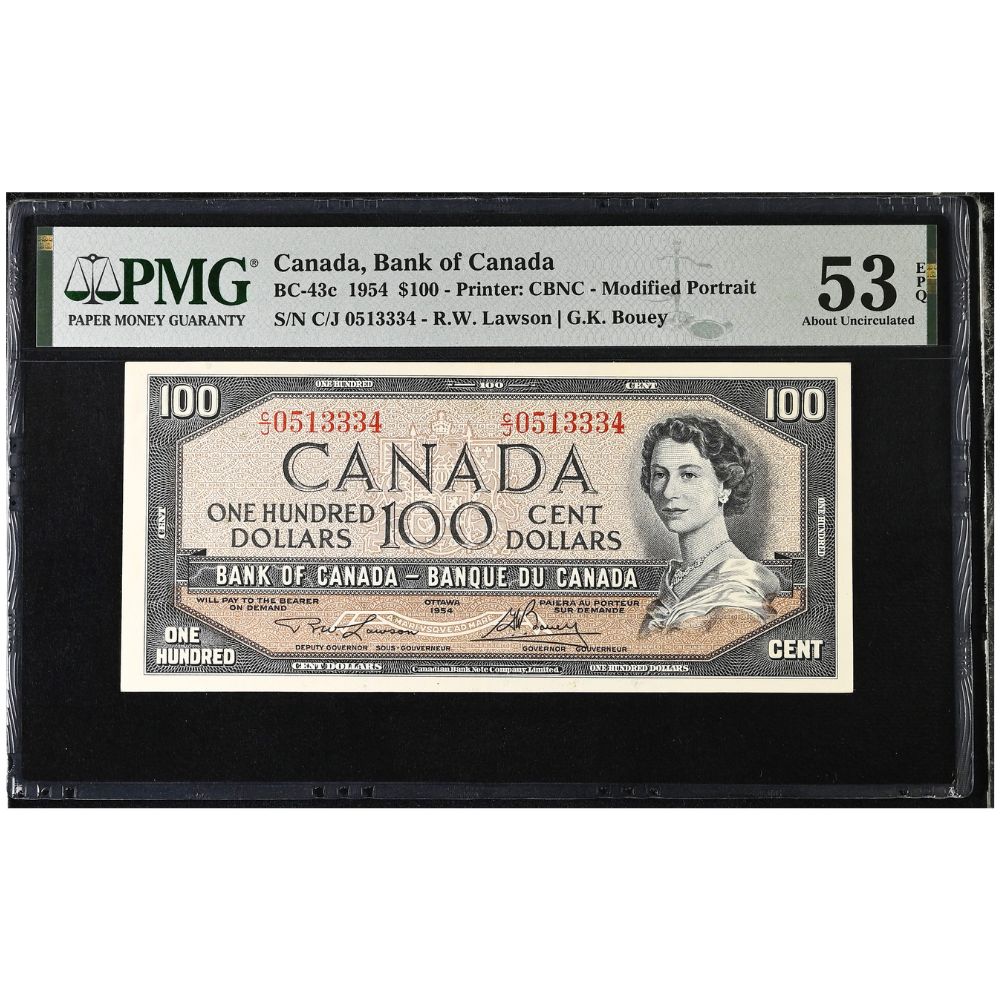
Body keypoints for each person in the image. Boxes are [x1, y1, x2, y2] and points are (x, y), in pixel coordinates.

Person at [638, 415, 782, 636]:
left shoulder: (737, 592)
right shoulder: (677, 577)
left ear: (725, 486)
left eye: (688, 475)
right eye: (660, 474)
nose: (668, 492)